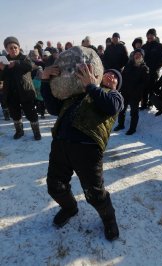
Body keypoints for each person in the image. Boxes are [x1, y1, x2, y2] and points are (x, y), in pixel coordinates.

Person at [41, 64, 123, 241]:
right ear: (100, 74)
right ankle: (70, 208)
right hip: (61, 143)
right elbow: (53, 108)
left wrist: (92, 86)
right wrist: (45, 81)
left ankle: (109, 219)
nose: (111, 77)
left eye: (115, 77)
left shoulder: (114, 96)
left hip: (88, 148)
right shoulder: (76, 94)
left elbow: (111, 107)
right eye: (108, 73)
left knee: (95, 194)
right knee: (54, 185)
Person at [0, 36, 41, 140]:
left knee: (31, 113)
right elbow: (1, 77)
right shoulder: (4, 61)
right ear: (6, 49)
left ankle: (36, 132)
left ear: (18, 47)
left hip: (25, 91)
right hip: (11, 93)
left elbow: (30, 66)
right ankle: (19, 131)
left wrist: (16, 63)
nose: (13, 49)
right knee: (15, 114)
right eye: (10, 48)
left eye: (15, 47)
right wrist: (2, 69)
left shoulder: (24, 58)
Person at [114, 48, 149, 134]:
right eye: (136, 54)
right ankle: (120, 124)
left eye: (139, 55)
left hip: (135, 94)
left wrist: (141, 95)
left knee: (134, 112)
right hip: (125, 91)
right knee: (121, 109)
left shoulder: (144, 68)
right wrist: (120, 89)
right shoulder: (128, 65)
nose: (137, 56)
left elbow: (144, 84)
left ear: (142, 57)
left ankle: (132, 129)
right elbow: (123, 77)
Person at [141, 28, 162, 109]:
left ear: (155, 36)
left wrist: (155, 68)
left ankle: (150, 103)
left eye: (151, 35)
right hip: (144, 72)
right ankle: (143, 104)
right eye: (148, 35)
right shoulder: (144, 47)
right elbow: (140, 59)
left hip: (154, 71)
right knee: (144, 88)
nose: (149, 37)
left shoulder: (160, 46)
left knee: (152, 88)